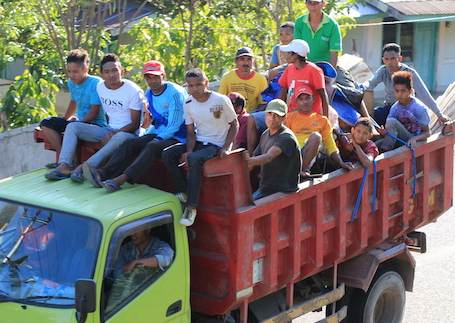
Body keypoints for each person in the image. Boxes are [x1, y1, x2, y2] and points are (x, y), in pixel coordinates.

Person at [87, 61, 187, 192]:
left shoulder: (175, 93)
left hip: (179, 135)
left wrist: (155, 139)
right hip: (159, 131)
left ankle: (122, 179)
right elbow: (154, 120)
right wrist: (145, 135)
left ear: (164, 75)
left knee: (152, 146)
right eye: (148, 77)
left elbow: (174, 125)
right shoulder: (149, 93)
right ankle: (103, 174)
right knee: (130, 143)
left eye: (156, 76)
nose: (152, 81)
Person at [45, 53, 143, 181]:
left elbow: (135, 124)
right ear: (102, 75)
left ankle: (85, 167)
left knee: (118, 137)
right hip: (108, 129)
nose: (111, 75)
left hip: (129, 133)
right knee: (73, 127)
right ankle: (64, 165)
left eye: (115, 70)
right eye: (107, 72)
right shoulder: (100, 87)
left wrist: (113, 134)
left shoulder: (133, 91)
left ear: (122, 71)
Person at [162, 68, 239, 227]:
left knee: (196, 159)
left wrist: (226, 146)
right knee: (167, 154)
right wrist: (189, 150)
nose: (194, 89)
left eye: (198, 85)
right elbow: (190, 132)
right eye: (190, 86)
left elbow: (234, 124)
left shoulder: (221, 100)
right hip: (199, 141)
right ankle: (184, 191)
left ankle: (191, 207)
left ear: (206, 83)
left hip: (216, 144)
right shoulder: (188, 103)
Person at [38, 49, 106, 168]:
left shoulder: (96, 83)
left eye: (75, 72)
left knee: (72, 127)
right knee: (46, 123)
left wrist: (77, 124)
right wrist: (65, 119)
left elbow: (94, 111)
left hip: (96, 125)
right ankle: (64, 160)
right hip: (78, 123)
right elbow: (73, 101)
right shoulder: (71, 82)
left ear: (85, 70)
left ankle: (71, 163)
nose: (71, 75)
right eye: (69, 71)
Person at [364, 43, 449, 126]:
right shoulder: (383, 71)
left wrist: (439, 114)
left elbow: (424, 94)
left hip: (407, 109)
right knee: (370, 116)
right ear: (383, 60)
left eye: (393, 58)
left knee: (394, 122)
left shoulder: (409, 73)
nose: (390, 62)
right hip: (390, 108)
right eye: (387, 59)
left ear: (400, 58)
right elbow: (370, 84)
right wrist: (359, 87)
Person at [284, 86, 353, 175]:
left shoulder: (322, 120)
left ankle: (301, 170)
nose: (305, 101)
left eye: (308, 98)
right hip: (292, 153)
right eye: (301, 99)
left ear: (313, 100)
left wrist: (341, 163)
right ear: (296, 102)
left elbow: (330, 145)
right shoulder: (289, 117)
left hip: (308, 155)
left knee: (316, 136)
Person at [105, 227, 175, 312]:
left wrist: (137, 262)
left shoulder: (159, 245)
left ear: (148, 230)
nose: (132, 234)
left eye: (136, 230)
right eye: (131, 230)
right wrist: (131, 269)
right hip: (128, 296)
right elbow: (118, 274)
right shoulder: (125, 249)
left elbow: (165, 259)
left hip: (153, 296)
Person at [245, 99, 301, 200]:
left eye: (277, 115)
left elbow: (269, 157)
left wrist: (245, 160)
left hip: (283, 191)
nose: (272, 118)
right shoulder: (265, 134)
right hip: (265, 189)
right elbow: (253, 161)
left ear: (284, 118)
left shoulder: (286, 137)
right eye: (269, 113)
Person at [377, 71, 431, 152]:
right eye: (397, 91)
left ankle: (384, 152)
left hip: (411, 141)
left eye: (403, 91)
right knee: (374, 146)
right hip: (398, 139)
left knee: (391, 121)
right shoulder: (395, 107)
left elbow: (427, 132)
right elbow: (391, 130)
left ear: (410, 91)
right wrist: (384, 132)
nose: (399, 94)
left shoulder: (419, 108)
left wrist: (415, 138)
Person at [277, 39, 330, 117]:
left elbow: (323, 95)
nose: (286, 56)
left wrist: (325, 120)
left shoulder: (314, 70)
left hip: (311, 117)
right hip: (292, 116)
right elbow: (283, 92)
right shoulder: (289, 68)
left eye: (288, 53)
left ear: (295, 55)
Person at [294, 0, 342, 67]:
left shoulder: (332, 24)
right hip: (304, 64)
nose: (313, 6)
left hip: (325, 65)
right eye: (310, 3)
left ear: (323, 4)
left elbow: (334, 52)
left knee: (344, 79)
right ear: (306, 4)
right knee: (274, 74)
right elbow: (297, 48)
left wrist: (331, 73)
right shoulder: (300, 22)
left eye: (316, 3)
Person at [218, 47, 268, 113]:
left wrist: (251, 118)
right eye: (242, 59)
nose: (246, 63)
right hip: (231, 115)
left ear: (253, 61)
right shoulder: (227, 77)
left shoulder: (260, 79)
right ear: (236, 61)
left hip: (252, 116)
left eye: (249, 59)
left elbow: (263, 103)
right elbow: (221, 100)